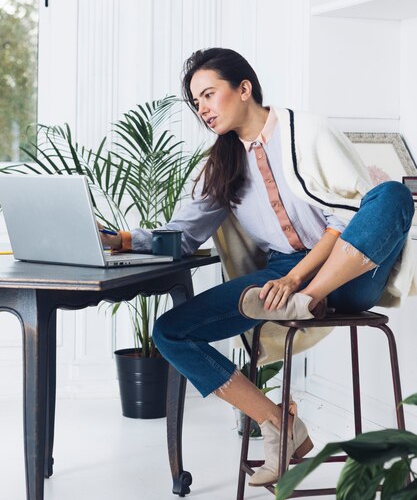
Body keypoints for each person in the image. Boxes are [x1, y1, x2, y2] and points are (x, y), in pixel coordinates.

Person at [101, 47, 415, 487]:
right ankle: (278, 425)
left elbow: (349, 217)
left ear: (244, 88)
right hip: (281, 279)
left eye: (209, 95)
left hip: (351, 268)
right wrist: (123, 239)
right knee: (171, 332)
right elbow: (184, 234)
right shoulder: (221, 165)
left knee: (391, 197)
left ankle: (308, 300)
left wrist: (298, 281)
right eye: (197, 103)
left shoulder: (308, 130)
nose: (203, 109)